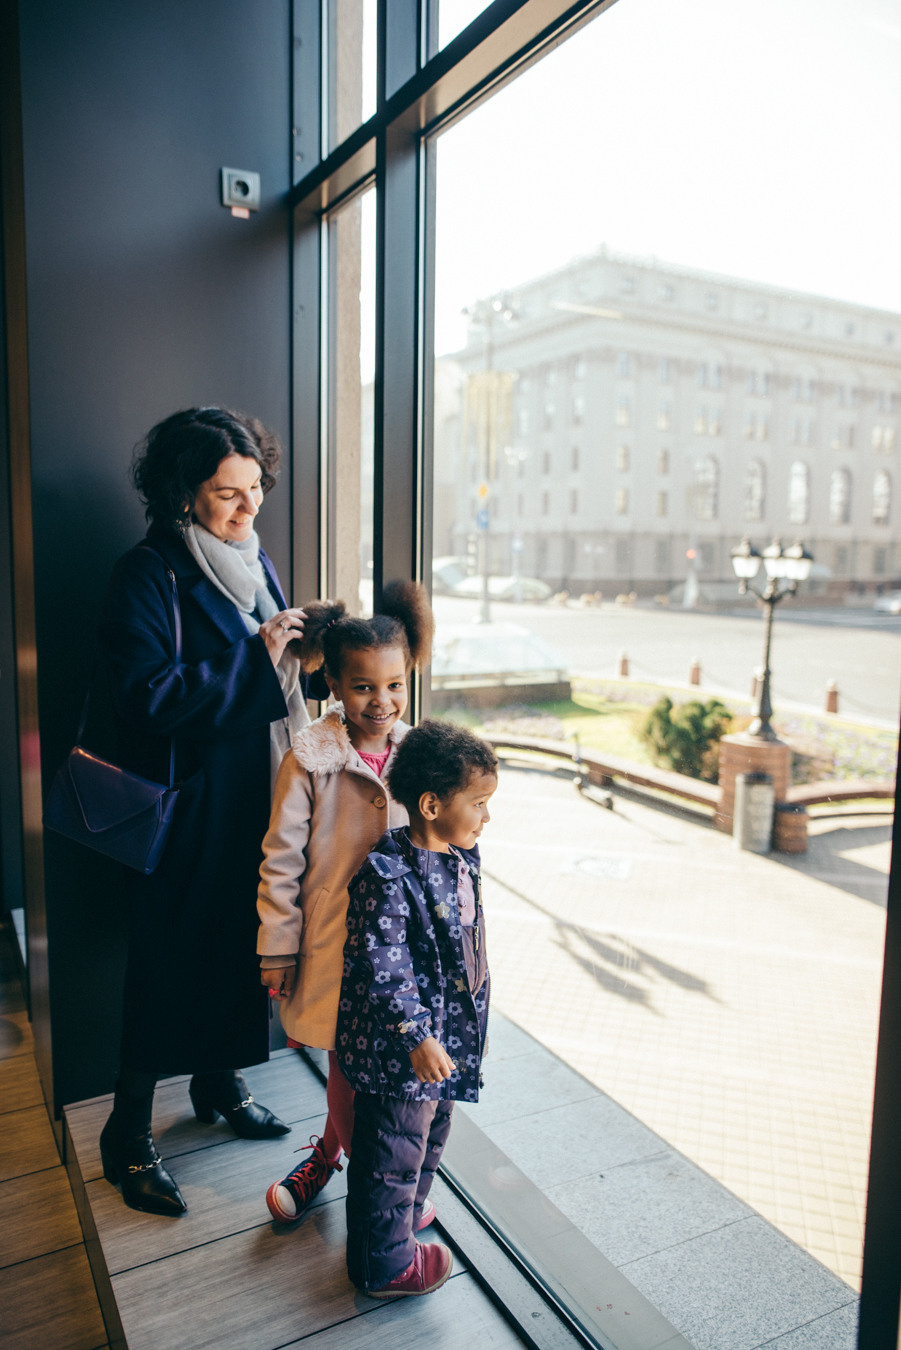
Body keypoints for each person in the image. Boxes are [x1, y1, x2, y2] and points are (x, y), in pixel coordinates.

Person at [98, 406, 328, 1218]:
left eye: (255, 488)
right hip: (190, 805)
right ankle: (126, 1132)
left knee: (243, 945)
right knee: (166, 962)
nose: (247, 508)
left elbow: (271, 672)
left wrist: (308, 652)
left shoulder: (251, 558)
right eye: (226, 494)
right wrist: (258, 655)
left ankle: (218, 1084)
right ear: (183, 494)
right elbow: (144, 700)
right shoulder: (148, 572)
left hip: (258, 793)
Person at [256, 584, 434, 1224]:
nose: (381, 702)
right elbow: (281, 860)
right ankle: (368, 1186)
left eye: (394, 685)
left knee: (390, 1074)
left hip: (400, 956)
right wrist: (277, 947)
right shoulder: (310, 759)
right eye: (363, 687)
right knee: (346, 1069)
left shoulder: (420, 755)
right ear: (332, 680)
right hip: (334, 947)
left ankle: (340, 1162)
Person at [337, 719, 498, 1297]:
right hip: (403, 1054)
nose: (486, 818)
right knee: (391, 1155)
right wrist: (417, 1036)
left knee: (428, 1138)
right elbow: (384, 970)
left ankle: (403, 1220)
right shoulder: (389, 873)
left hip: (445, 1044)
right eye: (478, 803)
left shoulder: (458, 856)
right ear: (431, 805)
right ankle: (384, 1266)